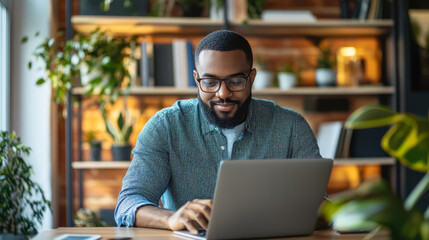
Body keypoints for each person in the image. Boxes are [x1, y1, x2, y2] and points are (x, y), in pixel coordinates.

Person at [115, 30, 322, 233]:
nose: (223, 94)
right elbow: (128, 203)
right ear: (197, 79)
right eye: (210, 82)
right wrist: (172, 218)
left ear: (251, 78)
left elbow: (321, 206)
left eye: (235, 82)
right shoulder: (166, 126)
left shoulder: (292, 127)